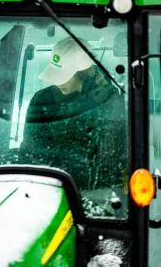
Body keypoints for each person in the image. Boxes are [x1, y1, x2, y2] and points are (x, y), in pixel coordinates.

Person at [20, 37, 127, 191]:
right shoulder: (42, 100)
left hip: (99, 194)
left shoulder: (110, 103)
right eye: (56, 74)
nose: (58, 82)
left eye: (64, 75)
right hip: (49, 189)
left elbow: (115, 158)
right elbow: (30, 152)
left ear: (83, 73)